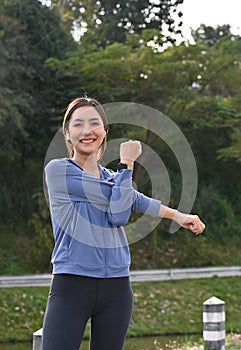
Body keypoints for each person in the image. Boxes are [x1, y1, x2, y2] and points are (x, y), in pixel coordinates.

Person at [42, 96, 205, 350]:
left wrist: (178, 216)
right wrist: (127, 164)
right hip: (72, 284)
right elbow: (119, 213)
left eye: (94, 123)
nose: (87, 131)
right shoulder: (59, 171)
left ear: (104, 132)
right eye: (78, 124)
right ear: (67, 132)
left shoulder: (116, 179)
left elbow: (137, 200)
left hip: (117, 288)